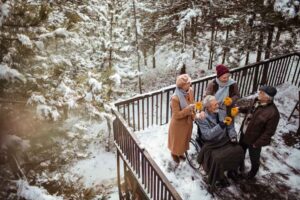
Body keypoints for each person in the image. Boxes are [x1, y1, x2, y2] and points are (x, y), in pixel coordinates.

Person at [196, 95, 244, 191]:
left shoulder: (222, 112)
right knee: (218, 158)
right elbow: (208, 136)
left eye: (217, 103)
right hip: (212, 143)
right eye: (214, 105)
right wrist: (221, 126)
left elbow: (230, 127)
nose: (217, 106)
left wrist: (233, 136)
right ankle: (218, 177)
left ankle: (232, 170)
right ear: (208, 107)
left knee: (239, 149)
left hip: (224, 139)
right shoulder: (202, 118)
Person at [239, 85, 280, 179]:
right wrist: (240, 109)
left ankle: (252, 174)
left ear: (268, 97)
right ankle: (240, 166)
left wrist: (257, 144)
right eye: (259, 91)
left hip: (254, 141)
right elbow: (249, 110)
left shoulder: (273, 113)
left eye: (261, 93)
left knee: (254, 159)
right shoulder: (256, 101)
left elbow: (269, 132)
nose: (259, 93)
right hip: (244, 134)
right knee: (241, 152)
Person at [168, 74, 195, 164]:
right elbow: (176, 115)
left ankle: (180, 152)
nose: (190, 84)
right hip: (178, 125)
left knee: (184, 140)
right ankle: (174, 153)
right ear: (182, 86)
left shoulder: (190, 91)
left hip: (187, 122)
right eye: (188, 83)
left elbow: (192, 102)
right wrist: (188, 109)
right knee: (177, 142)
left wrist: (193, 114)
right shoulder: (175, 98)